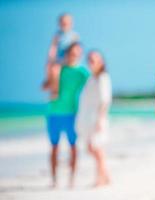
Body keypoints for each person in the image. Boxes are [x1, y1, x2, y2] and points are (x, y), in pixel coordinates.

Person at [46, 42, 89, 188]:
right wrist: (52, 80)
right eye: (72, 52)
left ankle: (72, 179)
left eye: (78, 53)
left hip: (72, 114)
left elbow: (93, 86)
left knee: (73, 147)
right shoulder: (58, 69)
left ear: (80, 54)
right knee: (54, 147)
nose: (74, 55)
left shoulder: (83, 73)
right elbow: (44, 86)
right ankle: (54, 180)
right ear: (67, 53)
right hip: (53, 113)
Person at [76, 51, 112, 187]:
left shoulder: (103, 77)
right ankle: (106, 176)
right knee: (91, 148)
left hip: (97, 119)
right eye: (89, 60)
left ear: (101, 62)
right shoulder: (91, 78)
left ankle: (100, 179)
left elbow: (105, 101)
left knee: (97, 149)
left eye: (94, 60)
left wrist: (100, 120)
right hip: (88, 119)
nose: (91, 63)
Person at [42, 13, 79, 99]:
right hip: (59, 59)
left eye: (66, 23)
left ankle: (55, 91)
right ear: (59, 24)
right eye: (62, 23)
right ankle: (48, 81)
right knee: (48, 66)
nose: (64, 25)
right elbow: (53, 48)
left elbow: (76, 50)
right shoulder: (57, 35)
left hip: (68, 58)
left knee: (55, 69)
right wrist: (50, 58)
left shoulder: (74, 35)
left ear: (71, 23)